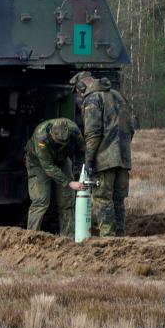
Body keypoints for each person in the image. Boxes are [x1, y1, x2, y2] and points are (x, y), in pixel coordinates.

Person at [70, 71, 134, 237]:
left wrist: (89, 161)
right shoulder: (117, 96)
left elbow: (93, 135)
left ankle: (108, 240)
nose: (79, 95)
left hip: (105, 159)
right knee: (118, 200)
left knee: (103, 199)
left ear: (81, 86)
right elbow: (131, 128)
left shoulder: (92, 99)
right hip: (124, 158)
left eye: (78, 91)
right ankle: (120, 237)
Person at [24, 118, 86, 237]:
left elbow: (81, 151)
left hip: (62, 159)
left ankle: (68, 237)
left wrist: (80, 173)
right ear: (51, 134)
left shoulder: (74, 131)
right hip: (38, 163)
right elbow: (48, 166)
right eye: (58, 142)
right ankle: (31, 237)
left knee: (67, 199)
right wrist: (69, 182)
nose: (61, 144)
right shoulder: (40, 137)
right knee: (41, 200)